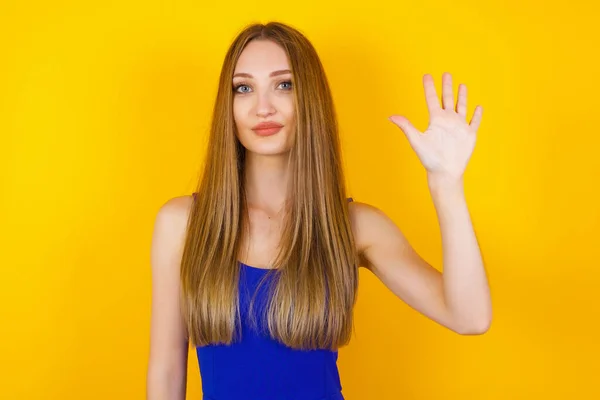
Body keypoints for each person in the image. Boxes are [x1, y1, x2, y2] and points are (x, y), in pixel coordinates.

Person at [146, 21, 492, 400]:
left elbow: (470, 317)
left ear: (309, 98)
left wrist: (447, 185)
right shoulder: (181, 224)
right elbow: (165, 371)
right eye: (244, 88)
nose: (263, 107)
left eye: (284, 85)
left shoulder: (355, 227)